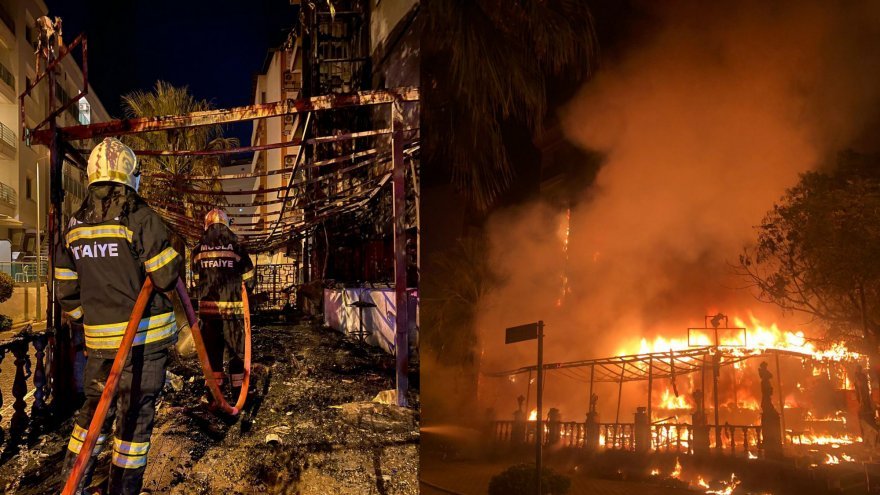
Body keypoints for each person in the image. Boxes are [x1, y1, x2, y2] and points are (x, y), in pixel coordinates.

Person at [56, 137, 182, 494]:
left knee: (93, 413)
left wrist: (88, 319)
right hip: (144, 343)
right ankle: (122, 490)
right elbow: (165, 276)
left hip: (99, 345)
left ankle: (73, 482)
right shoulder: (139, 216)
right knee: (133, 422)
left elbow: (65, 288)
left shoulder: (74, 225)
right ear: (131, 176)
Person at [191, 208, 254, 401]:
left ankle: (213, 395)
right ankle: (238, 393)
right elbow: (249, 279)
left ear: (206, 224)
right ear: (227, 224)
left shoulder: (197, 248)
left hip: (208, 315)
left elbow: (195, 281)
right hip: (233, 312)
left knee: (212, 354)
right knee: (237, 353)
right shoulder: (236, 246)